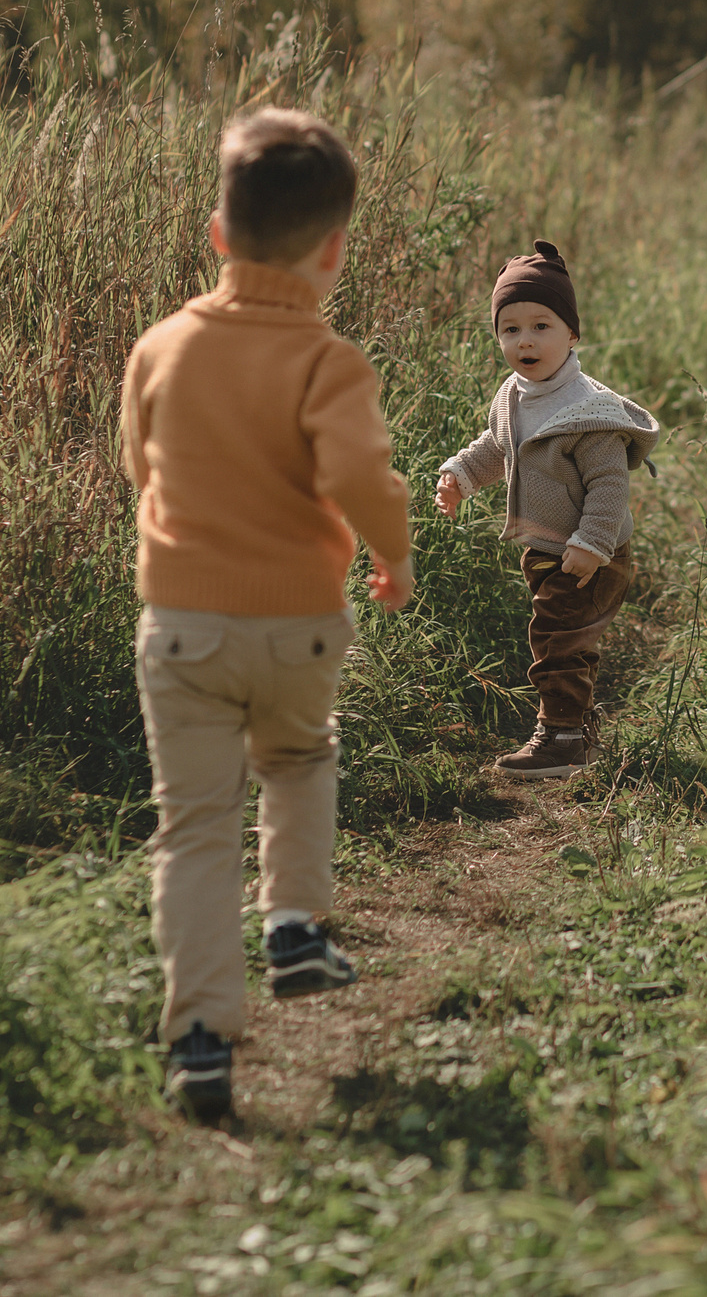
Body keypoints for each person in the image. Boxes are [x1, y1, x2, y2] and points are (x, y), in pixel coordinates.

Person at [119, 108, 415, 1122]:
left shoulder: (160, 348)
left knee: (193, 826)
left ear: (216, 234)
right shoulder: (328, 362)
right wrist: (392, 550)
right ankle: (293, 923)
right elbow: (360, 475)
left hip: (181, 627)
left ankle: (199, 1034)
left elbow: (138, 467)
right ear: (334, 250)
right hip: (298, 623)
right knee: (296, 761)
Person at [435, 240, 659, 777]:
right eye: (510, 329)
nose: (525, 340)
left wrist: (591, 545)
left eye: (541, 326)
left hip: (591, 553)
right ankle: (575, 725)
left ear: (571, 334)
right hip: (545, 550)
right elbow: (496, 447)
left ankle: (561, 742)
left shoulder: (588, 411)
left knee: (556, 639)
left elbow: (608, 487)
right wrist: (461, 476)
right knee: (565, 639)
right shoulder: (512, 396)